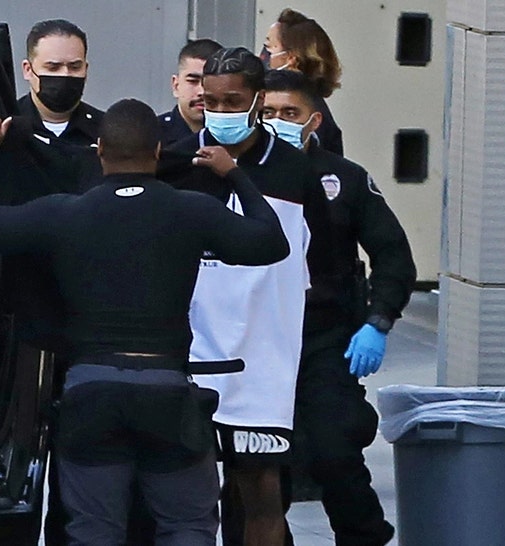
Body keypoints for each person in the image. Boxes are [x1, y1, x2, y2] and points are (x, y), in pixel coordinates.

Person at [0, 98, 290, 545]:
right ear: (157, 151)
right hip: (167, 388)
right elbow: (270, 242)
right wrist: (234, 173)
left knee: (95, 531)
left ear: (99, 151)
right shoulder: (191, 209)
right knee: (187, 526)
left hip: (90, 388)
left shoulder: (63, 212)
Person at [158, 47, 336, 546]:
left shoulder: (295, 172)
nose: (218, 110)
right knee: (177, 496)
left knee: (260, 489)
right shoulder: (172, 166)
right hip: (187, 353)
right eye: (209, 99)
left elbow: (322, 259)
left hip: (261, 359)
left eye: (231, 101)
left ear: (258, 99)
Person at [263, 69, 416, 546]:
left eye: (289, 113)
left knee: (335, 450)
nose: (277, 121)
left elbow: (393, 257)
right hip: (259, 338)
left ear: (313, 120)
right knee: (262, 465)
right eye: (267, 112)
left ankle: (364, 538)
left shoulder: (343, 179)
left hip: (326, 335)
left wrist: (377, 321)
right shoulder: (236, 174)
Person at [0, 18, 105, 546]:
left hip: (88, 325)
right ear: (28, 69)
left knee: (79, 474)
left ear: (86, 68)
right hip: (15, 325)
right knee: (13, 471)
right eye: (52, 67)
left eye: (74, 67)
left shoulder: (106, 136)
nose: (64, 77)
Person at [260, 8, 344, 157]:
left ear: (291, 58)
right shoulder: (316, 104)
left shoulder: (315, 115)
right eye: (268, 112)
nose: (262, 56)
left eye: (268, 47)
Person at [157, 38, 223, 146]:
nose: (202, 92)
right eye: (193, 81)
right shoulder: (152, 136)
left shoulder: (237, 139)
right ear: (176, 86)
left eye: (211, 83)